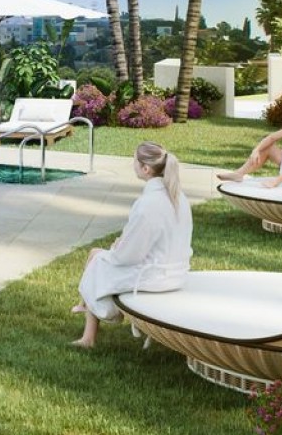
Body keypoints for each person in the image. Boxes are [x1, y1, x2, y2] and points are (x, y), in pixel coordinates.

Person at [72, 141, 193, 348]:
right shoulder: (178, 196)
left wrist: (117, 247)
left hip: (152, 277)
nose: (132, 164)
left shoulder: (148, 204)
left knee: (97, 261)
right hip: (177, 272)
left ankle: (88, 337)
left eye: (134, 161)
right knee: (98, 255)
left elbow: (127, 257)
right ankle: (85, 312)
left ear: (145, 169)